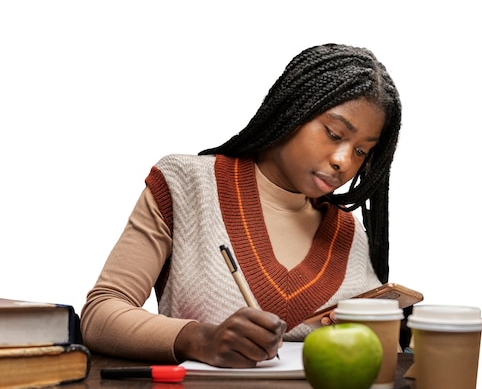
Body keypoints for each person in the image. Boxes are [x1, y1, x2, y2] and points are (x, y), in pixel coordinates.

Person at [80, 43, 403, 368]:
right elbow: (101, 314)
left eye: (362, 152)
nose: (343, 161)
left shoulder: (349, 233)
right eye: (334, 134)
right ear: (293, 108)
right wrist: (200, 340)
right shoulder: (186, 184)